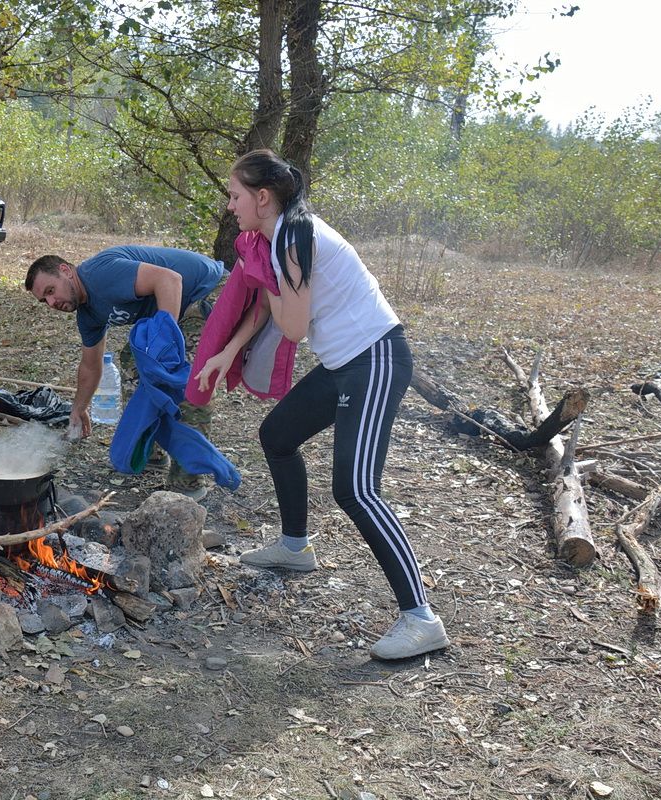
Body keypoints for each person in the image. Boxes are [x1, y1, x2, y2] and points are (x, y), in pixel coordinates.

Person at [194, 150, 449, 660]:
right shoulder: (280, 233)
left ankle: (421, 619)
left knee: (355, 488)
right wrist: (227, 349)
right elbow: (271, 303)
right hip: (342, 363)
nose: (230, 206)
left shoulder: (295, 236)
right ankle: (295, 547)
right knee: (277, 436)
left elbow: (291, 324)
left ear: (262, 198)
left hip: (374, 357)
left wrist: (266, 292)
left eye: (236, 195)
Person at [25, 246, 224, 499]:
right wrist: (79, 407)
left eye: (51, 291)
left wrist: (165, 341)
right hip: (180, 301)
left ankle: (188, 482)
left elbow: (169, 279)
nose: (52, 303)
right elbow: (90, 364)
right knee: (132, 358)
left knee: (186, 379)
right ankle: (148, 451)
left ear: (66, 271)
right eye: (45, 300)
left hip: (208, 290)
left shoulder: (99, 275)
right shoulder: (88, 315)